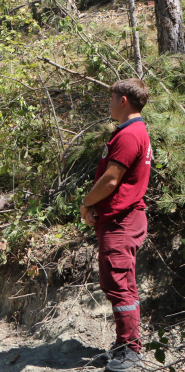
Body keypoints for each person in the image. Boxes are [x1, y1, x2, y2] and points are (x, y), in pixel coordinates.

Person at [81, 79, 151, 372]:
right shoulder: (134, 132)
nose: (108, 103)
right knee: (123, 284)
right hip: (121, 220)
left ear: (124, 101)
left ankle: (131, 351)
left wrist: (86, 203)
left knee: (118, 284)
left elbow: (110, 180)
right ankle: (125, 344)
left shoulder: (129, 135)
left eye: (111, 98)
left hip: (122, 221)